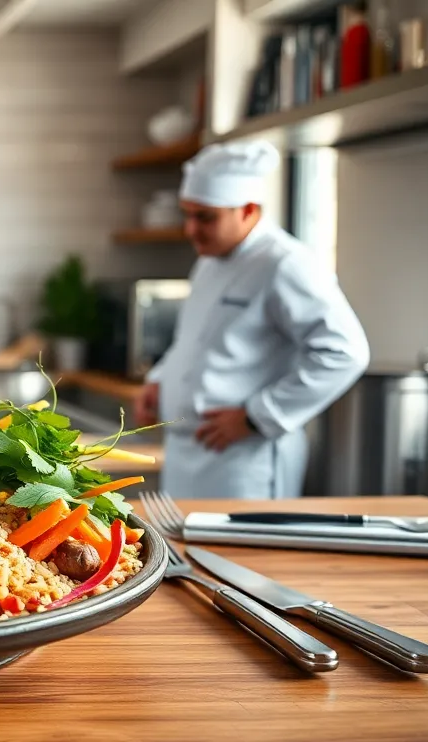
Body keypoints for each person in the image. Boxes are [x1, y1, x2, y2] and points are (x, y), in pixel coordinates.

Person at [135, 140, 369, 499]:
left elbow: (346, 353)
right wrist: (160, 379)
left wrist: (257, 417)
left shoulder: (286, 264)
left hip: (243, 461)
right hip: (186, 455)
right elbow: (196, 340)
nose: (190, 229)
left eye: (205, 217)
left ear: (247, 209)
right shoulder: (209, 261)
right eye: (188, 213)